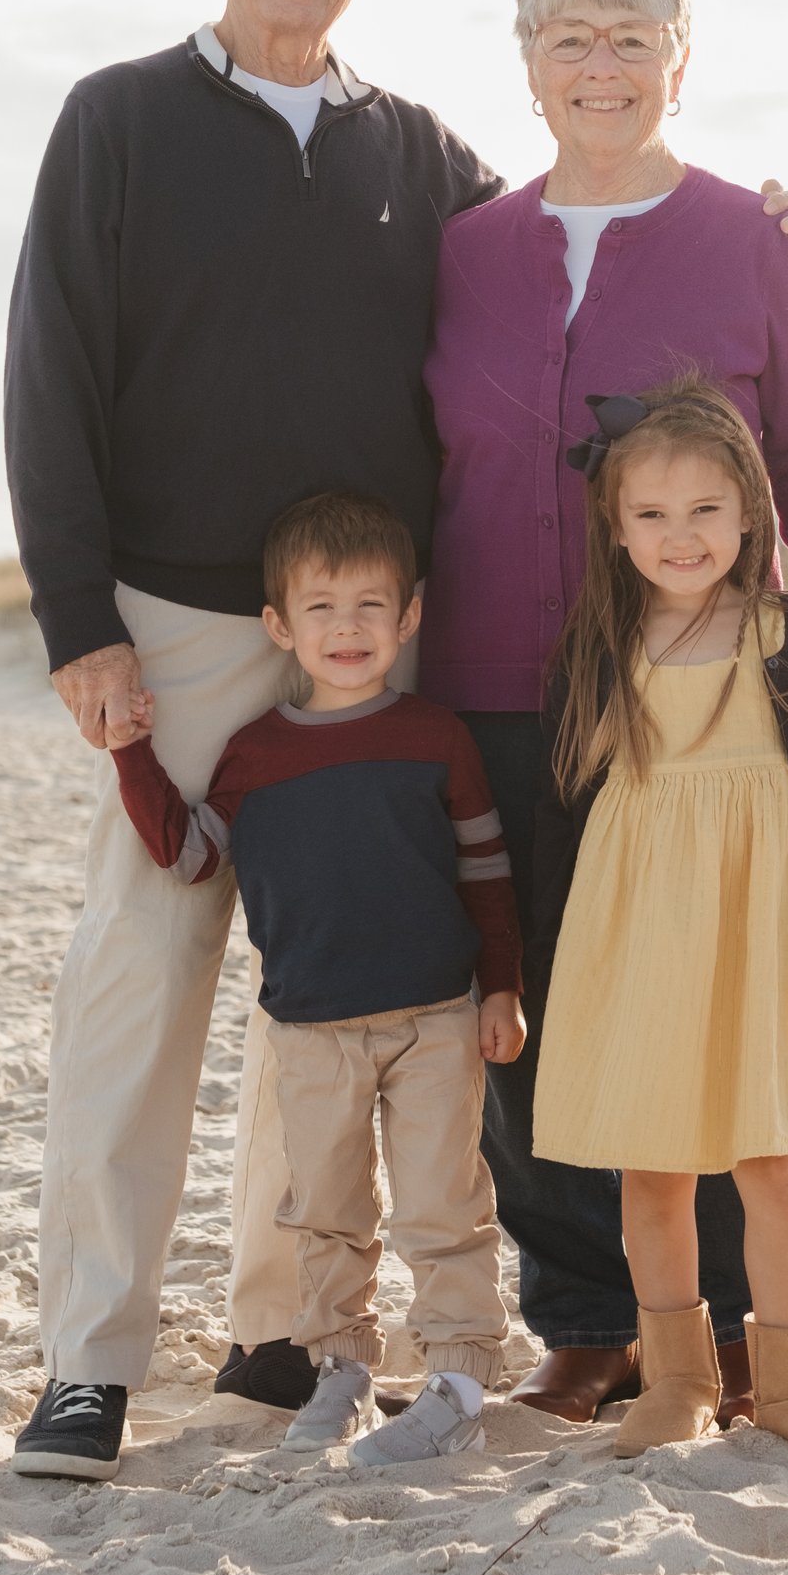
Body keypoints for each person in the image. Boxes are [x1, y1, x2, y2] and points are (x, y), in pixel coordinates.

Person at [6, 0, 788, 1481]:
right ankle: (89, 1360)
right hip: (180, 630)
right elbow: (48, 374)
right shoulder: (118, 122)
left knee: (337, 996)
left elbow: (586, 213)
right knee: (141, 986)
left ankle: (269, 1330)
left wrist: (775, 224)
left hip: (384, 649)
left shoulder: (420, 159)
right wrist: (79, 621)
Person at [414, 0, 788, 1426]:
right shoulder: (461, 251)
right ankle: (589, 1318)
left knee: (705, 993)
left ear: (679, 61)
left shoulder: (750, 241)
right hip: (503, 684)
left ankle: (742, 1330)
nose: (601, 65)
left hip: (706, 703)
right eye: (570, 37)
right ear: (527, 64)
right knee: (538, 1008)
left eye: (630, 39)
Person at [92, 488, 522, 1478]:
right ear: (279, 626)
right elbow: (191, 856)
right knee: (325, 1209)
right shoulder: (256, 755)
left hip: (434, 1020)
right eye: (321, 608)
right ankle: (342, 1371)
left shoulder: (434, 738)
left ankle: (456, 1384)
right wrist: (132, 756)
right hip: (312, 1029)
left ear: (407, 617)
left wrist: (500, 987)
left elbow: (486, 871)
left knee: (439, 1204)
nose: (348, 629)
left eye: (371, 606)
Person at [530, 378, 788, 1466]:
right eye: (649, 514)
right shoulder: (598, 648)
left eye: (704, 510)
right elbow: (563, 819)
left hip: (761, 925)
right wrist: (548, 964)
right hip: (633, 928)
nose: (679, 536)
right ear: (613, 526)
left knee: (771, 1157)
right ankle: (679, 1382)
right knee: (650, 1166)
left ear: (749, 512)